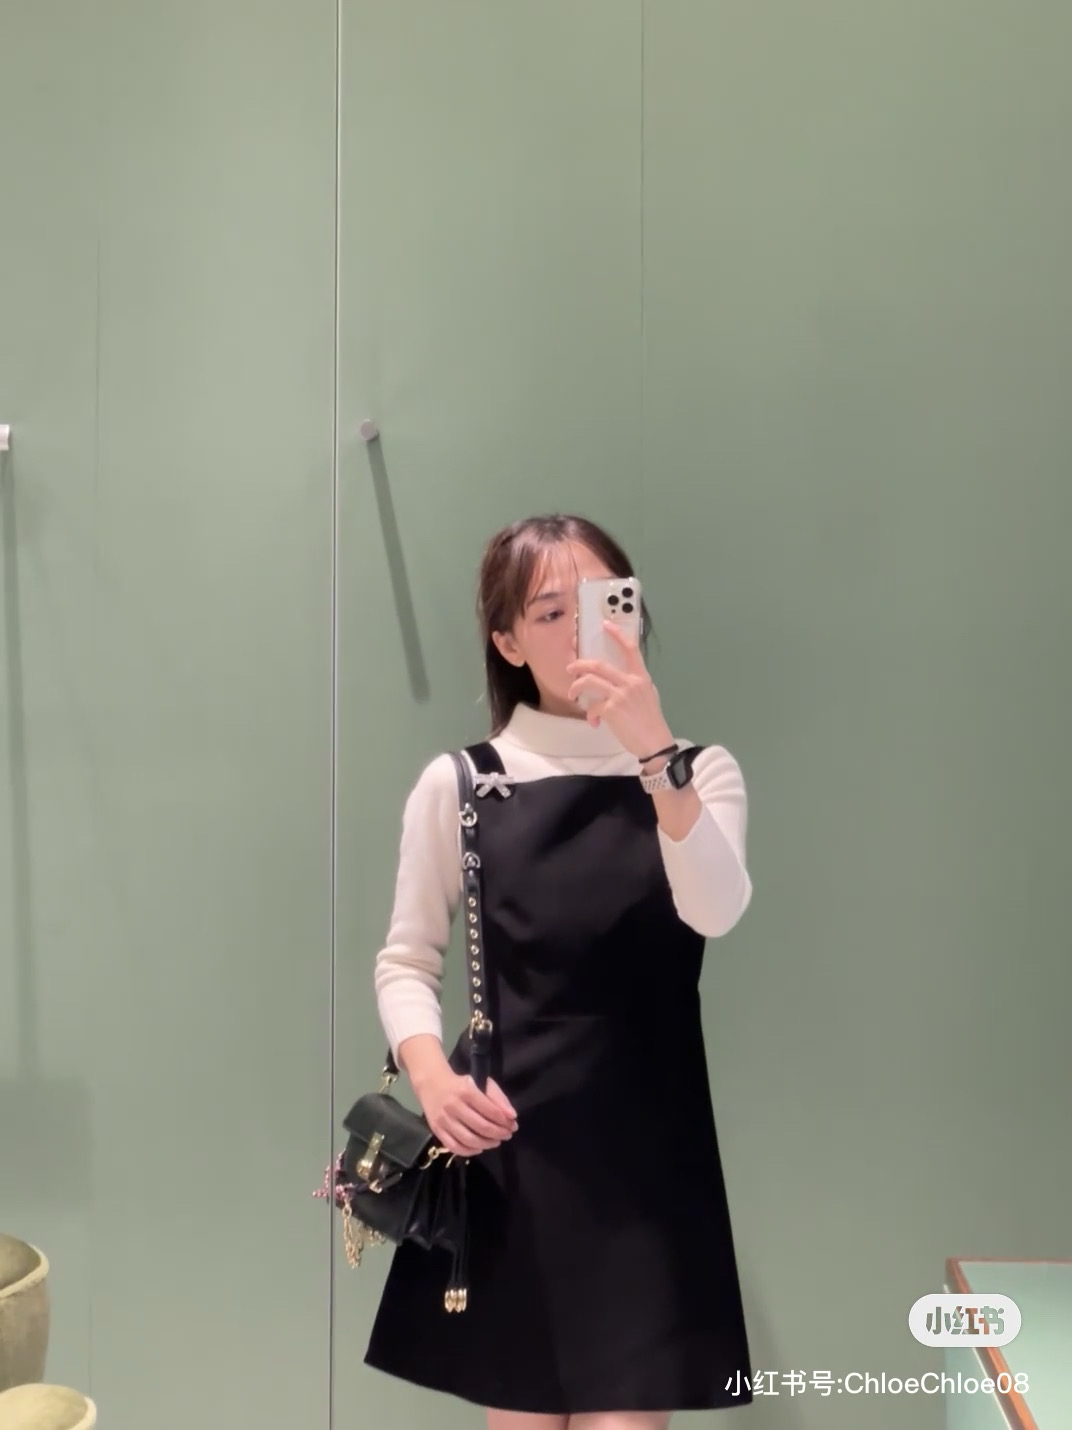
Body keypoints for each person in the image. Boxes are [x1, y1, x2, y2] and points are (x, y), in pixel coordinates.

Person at [362, 513, 755, 1430]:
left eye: (602, 603)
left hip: (650, 1154)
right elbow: (407, 959)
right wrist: (432, 1078)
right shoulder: (461, 784)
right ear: (507, 641)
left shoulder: (701, 772)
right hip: (512, 1149)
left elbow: (716, 910)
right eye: (549, 613)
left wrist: (654, 752)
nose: (582, 631)